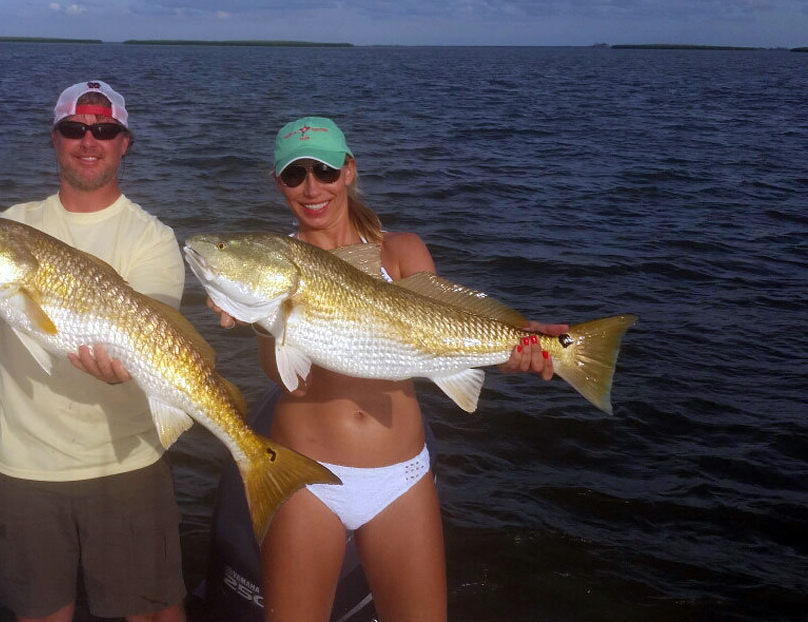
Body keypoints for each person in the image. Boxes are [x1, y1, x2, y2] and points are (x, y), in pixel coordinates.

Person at [208, 116, 565, 622]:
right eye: (294, 175)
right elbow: (281, 372)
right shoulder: (275, 261)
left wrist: (519, 342)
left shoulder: (402, 252)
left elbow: (446, 331)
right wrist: (257, 316)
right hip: (306, 476)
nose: (312, 188)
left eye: (325, 170)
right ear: (278, 184)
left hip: (400, 479)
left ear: (349, 171)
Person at [0, 81, 187, 622]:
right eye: (74, 129)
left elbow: (153, 334)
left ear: (124, 142)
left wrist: (123, 368)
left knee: (153, 613)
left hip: (125, 459)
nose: (89, 140)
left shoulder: (152, 238)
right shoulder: (13, 226)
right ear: (54, 139)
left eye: (104, 130)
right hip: (22, 465)